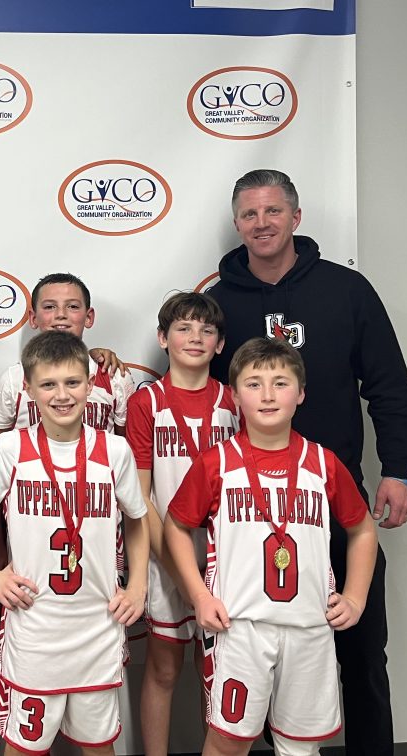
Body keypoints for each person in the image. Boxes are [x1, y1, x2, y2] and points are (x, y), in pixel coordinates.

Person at [208, 169, 407, 756]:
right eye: (250, 214)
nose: (262, 223)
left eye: (273, 211)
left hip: (334, 501)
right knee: (250, 657)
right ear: (237, 224)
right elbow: (191, 387)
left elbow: (389, 387)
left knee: (361, 651)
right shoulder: (218, 304)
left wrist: (397, 469)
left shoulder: (347, 291)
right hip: (249, 514)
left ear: (296, 217)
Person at [165, 338, 378, 756]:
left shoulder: (322, 463)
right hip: (239, 627)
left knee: (301, 748)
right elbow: (176, 526)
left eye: (280, 383)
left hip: (310, 627)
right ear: (234, 395)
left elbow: (364, 530)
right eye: (254, 383)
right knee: (227, 743)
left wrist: (355, 597)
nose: (267, 395)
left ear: (300, 394)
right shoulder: (216, 462)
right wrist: (200, 596)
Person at [0, 331, 149, 756]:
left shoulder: (114, 450)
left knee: (99, 747)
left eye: (72, 383)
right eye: (48, 384)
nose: (62, 395)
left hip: (97, 626)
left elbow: (137, 519)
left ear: (91, 385)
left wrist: (138, 585)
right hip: (34, 629)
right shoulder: (11, 448)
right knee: (24, 749)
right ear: (28, 389)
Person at [126, 292, 239, 756]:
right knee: (164, 669)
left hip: (225, 558)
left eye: (206, 330)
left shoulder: (235, 400)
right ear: (162, 338)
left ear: (220, 344)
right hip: (166, 556)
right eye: (183, 328)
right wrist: (177, 569)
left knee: (218, 670)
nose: (195, 337)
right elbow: (140, 497)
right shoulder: (146, 402)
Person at [0, 272, 135, 437]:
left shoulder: (115, 377)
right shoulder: (13, 379)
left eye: (72, 306)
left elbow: (125, 442)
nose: (61, 314)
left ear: (88, 317)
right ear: (33, 318)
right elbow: (2, 443)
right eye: (49, 307)